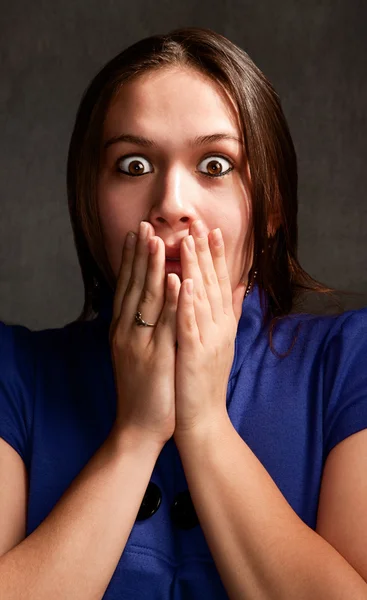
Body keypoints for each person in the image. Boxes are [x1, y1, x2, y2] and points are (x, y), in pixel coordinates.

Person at [0, 26, 366, 600]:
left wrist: (205, 428)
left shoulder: (350, 362)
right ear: (90, 203)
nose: (171, 203)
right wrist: (136, 434)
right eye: (134, 165)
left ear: (269, 207)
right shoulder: (13, 373)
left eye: (216, 165)